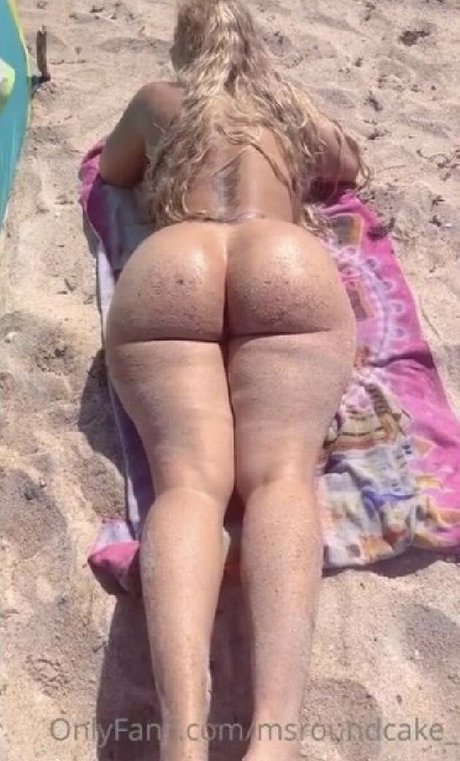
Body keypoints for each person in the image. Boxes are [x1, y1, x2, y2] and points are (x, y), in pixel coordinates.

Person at [99, 2, 365, 759]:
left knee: (187, 485)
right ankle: (272, 740)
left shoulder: (159, 100)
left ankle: (182, 738)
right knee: (281, 477)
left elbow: (112, 171)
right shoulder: (286, 106)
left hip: (174, 261)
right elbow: (347, 164)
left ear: (186, 48)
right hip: (282, 258)